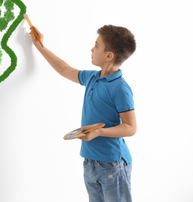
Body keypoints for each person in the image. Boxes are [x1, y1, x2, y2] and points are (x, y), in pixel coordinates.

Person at [29, 25, 137, 202]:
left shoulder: (120, 88)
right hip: (90, 161)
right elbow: (64, 69)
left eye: (96, 45)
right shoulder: (92, 77)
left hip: (113, 165)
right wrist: (40, 46)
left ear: (109, 55)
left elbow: (131, 127)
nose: (92, 49)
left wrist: (99, 132)